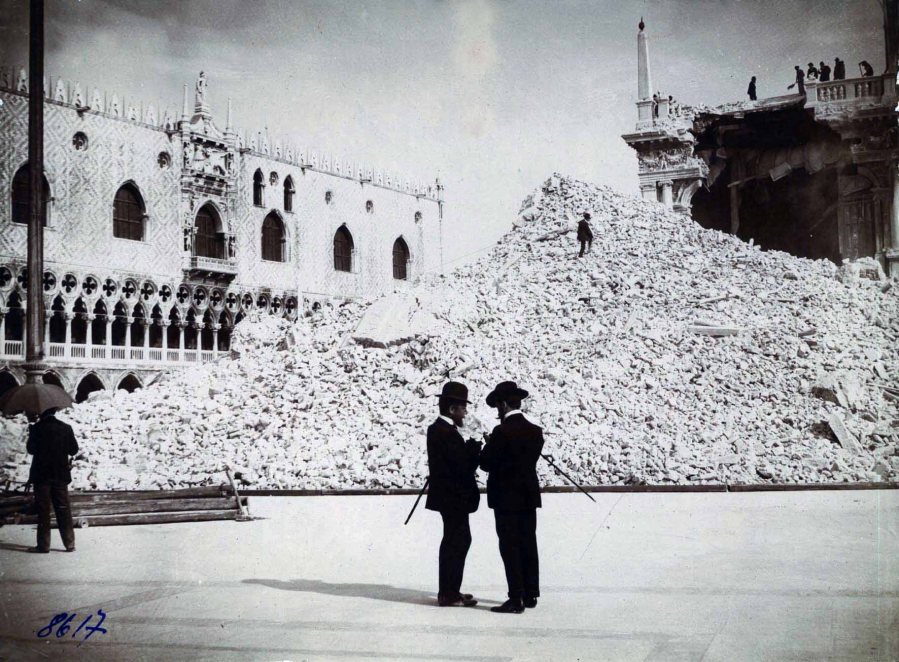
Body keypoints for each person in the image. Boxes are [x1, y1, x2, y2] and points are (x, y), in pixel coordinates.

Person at [479, 381, 544, 614]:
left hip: (505, 498)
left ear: (504, 404)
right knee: (528, 543)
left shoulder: (501, 432)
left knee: (510, 546)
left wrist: (488, 446)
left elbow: (486, 463)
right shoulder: (535, 431)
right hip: (527, 496)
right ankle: (530, 593)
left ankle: (515, 598)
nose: (497, 411)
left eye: (498, 406)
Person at [425, 381, 481, 607]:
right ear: (451, 409)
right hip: (453, 498)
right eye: (463, 408)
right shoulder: (445, 432)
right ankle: (449, 594)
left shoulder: (441, 429)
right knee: (456, 541)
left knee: (456, 540)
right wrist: (475, 446)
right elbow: (463, 466)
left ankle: (450, 590)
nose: (465, 412)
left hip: (450, 497)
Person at [26, 408, 79, 553]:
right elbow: (74, 450)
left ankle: (43, 545)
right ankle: (69, 544)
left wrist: (31, 432)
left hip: (42, 476)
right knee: (63, 509)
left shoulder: (37, 428)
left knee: (43, 511)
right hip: (60, 475)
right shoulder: (66, 428)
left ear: (41, 412)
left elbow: (31, 450)